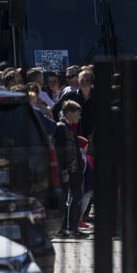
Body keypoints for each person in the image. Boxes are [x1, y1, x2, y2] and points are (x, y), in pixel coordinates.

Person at [55, 100, 88, 238]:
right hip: (68, 170)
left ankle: (71, 227)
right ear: (69, 113)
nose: (79, 117)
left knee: (76, 197)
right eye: (77, 113)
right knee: (67, 199)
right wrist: (63, 170)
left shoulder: (69, 127)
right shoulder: (61, 127)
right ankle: (65, 228)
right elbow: (60, 152)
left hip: (74, 169)